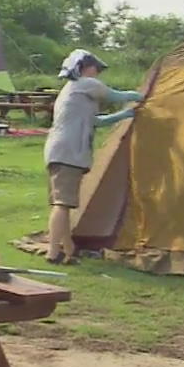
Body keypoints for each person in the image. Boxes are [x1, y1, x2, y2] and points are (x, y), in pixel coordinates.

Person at [43, 49, 142, 264]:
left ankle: (68, 250)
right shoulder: (85, 84)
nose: (97, 72)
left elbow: (95, 121)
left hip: (61, 151)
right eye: (94, 67)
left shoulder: (73, 90)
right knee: (62, 204)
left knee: (63, 204)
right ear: (82, 68)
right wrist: (138, 97)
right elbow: (115, 95)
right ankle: (53, 252)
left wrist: (123, 116)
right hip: (68, 152)